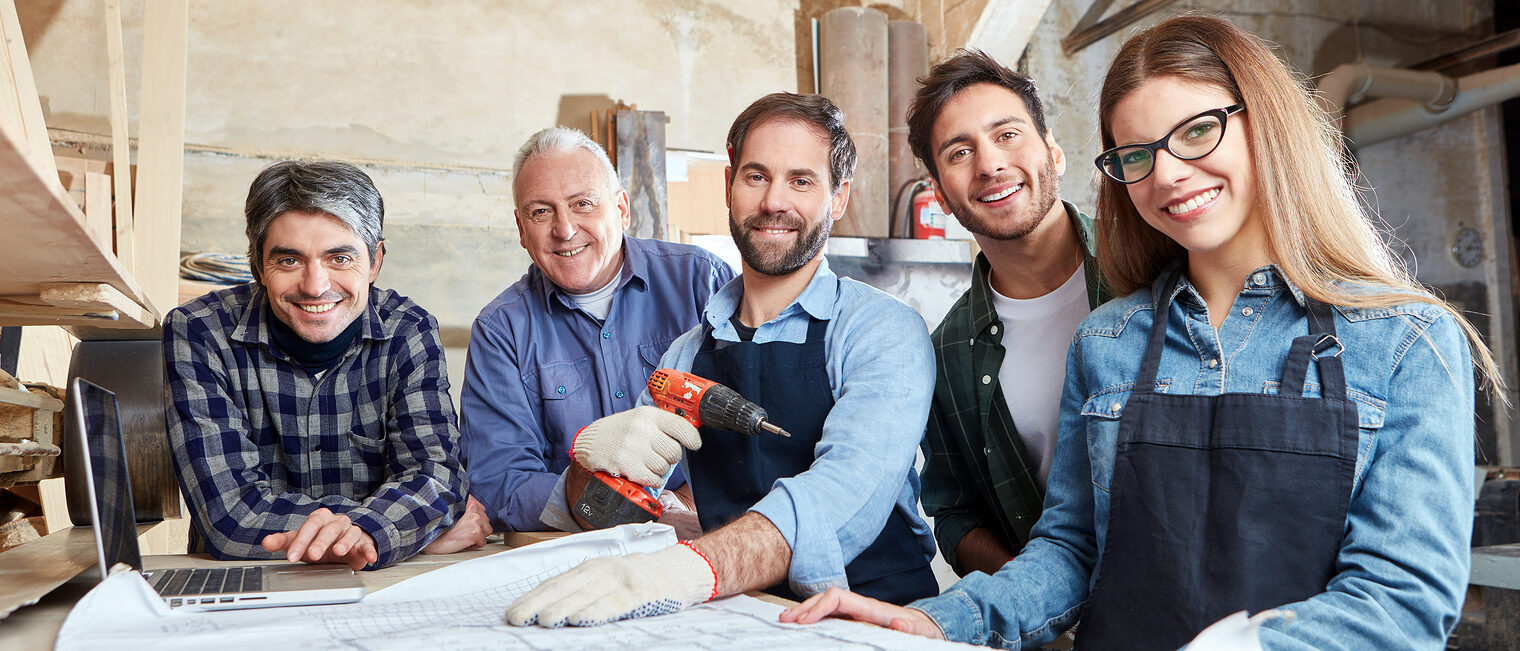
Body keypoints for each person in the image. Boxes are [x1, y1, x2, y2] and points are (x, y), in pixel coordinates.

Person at [781, 14, 1501, 649]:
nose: (1169, 173)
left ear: (1266, 123)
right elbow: (1071, 549)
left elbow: (1404, 597)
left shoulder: (1407, 338)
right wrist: (940, 619)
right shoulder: (1107, 340)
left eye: (1197, 131)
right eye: (1138, 154)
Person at [504, 92, 939, 628]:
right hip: (742, 617)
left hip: (877, 620)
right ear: (728, 186)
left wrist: (679, 571)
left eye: (801, 181)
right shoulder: (685, 356)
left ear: (839, 197)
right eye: (756, 177)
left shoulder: (881, 331)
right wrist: (589, 465)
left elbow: (842, 492)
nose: (774, 201)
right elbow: (608, 512)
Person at [164, 160, 490, 571]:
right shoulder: (198, 333)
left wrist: (372, 533)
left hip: (380, 585)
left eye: (339, 258)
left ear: (374, 262)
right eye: (289, 261)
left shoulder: (409, 330)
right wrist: (394, 532)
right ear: (258, 267)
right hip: (250, 583)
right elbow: (229, 516)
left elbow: (435, 473)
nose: (315, 286)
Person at [459, 127, 732, 533]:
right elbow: (499, 483)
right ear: (521, 229)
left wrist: (693, 501)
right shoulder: (500, 330)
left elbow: (759, 426)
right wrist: (608, 499)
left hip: (713, 532)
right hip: (578, 550)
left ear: (622, 209)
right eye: (541, 212)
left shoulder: (703, 281)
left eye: (582, 204)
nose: (564, 229)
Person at [906, 50, 1111, 578]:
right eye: (959, 152)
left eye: (1008, 135)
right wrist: (1039, 588)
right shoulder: (946, 351)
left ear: (1055, 152)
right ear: (942, 197)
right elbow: (954, 516)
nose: (990, 164)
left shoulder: (1152, 271)